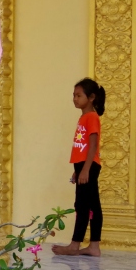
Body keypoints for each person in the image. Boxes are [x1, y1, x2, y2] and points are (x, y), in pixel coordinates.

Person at [53, 78, 106, 257]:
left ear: (91, 98)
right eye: (73, 95)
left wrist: (85, 169)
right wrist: (78, 170)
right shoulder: (84, 117)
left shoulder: (91, 117)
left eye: (78, 95)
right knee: (83, 205)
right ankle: (87, 246)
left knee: (88, 205)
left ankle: (81, 245)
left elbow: (92, 145)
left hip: (89, 166)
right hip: (84, 165)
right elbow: (82, 148)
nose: (74, 99)